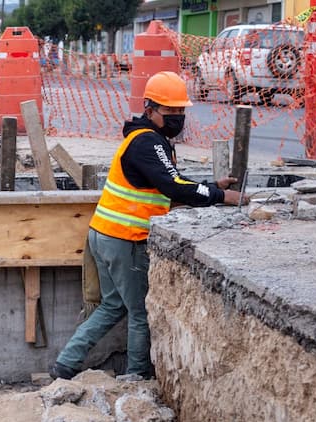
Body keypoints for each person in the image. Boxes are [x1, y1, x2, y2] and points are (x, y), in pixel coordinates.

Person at [50, 71, 248, 381]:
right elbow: (174, 186)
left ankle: (65, 363)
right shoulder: (147, 143)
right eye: (171, 112)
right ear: (150, 108)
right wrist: (221, 195)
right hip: (125, 240)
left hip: (103, 233)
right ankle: (137, 376)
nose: (177, 118)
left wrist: (209, 186)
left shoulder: (145, 139)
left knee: (113, 305)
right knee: (139, 313)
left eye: (181, 112)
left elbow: (164, 186)